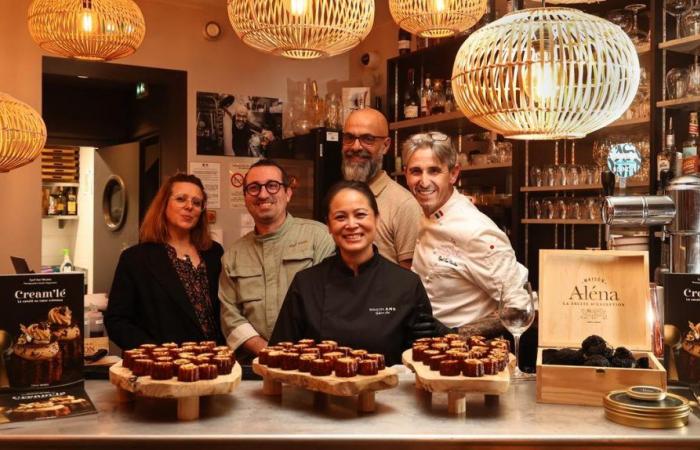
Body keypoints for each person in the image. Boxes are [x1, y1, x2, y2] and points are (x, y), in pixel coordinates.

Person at [270, 181, 448, 365]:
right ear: (329, 226)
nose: (351, 224)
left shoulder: (406, 284)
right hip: (320, 392)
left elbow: (421, 361)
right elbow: (279, 355)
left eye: (360, 215)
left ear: (376, 219)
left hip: (386, 392)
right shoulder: (306, 284)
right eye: (340, 217)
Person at [403, 132, 529, 336]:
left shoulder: (476, 230)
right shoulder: (426, 214)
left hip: (468, 356)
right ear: (405, 174)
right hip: (429, 351)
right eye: (416, 171)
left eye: (434, 171)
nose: (424, 182)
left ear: (453, 174)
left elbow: (520, 307)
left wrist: (456, 333)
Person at [219, 159, 335, 360]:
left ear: (288, 193)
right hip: (256, 364)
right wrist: (269, 353)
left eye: (272, 186)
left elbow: (333, 302)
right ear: (245, 197)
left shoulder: (319, 237)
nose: (263, 194)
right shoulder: (233, 255)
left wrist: (300, 355)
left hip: (313, 361)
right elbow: (230, 316)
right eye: (254, 188)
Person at [105, 173, 224, 350]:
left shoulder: (214, 253)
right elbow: (117, 321)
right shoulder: (136, 259)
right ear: (164, 205)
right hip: (163, 367)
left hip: (212, 362)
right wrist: (157, 352)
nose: (189, 206)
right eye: (181, 199)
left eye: (197, 202)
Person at [341, 108, 422, 269]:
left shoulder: (403, 205)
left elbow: (409, 282)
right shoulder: (339, 197)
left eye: (368, 139)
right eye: (349, 138)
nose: (356, 146)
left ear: (385, 146)